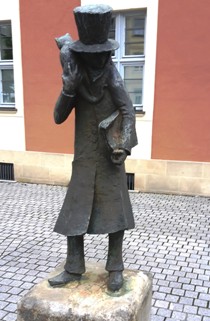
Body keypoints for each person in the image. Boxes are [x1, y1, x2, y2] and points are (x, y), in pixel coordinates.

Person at [48, 4, 137, 292]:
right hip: (85, 157)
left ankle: (115, 268)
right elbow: (58, 117)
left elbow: (128, 110)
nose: (99, 60)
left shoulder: (113, 77)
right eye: (92, 55)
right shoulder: (76, 77)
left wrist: (123, 145)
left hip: (110, 156)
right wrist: (68, 88)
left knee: (115, 215)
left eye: (102, 55)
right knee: (75, 211)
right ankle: (73, 267)